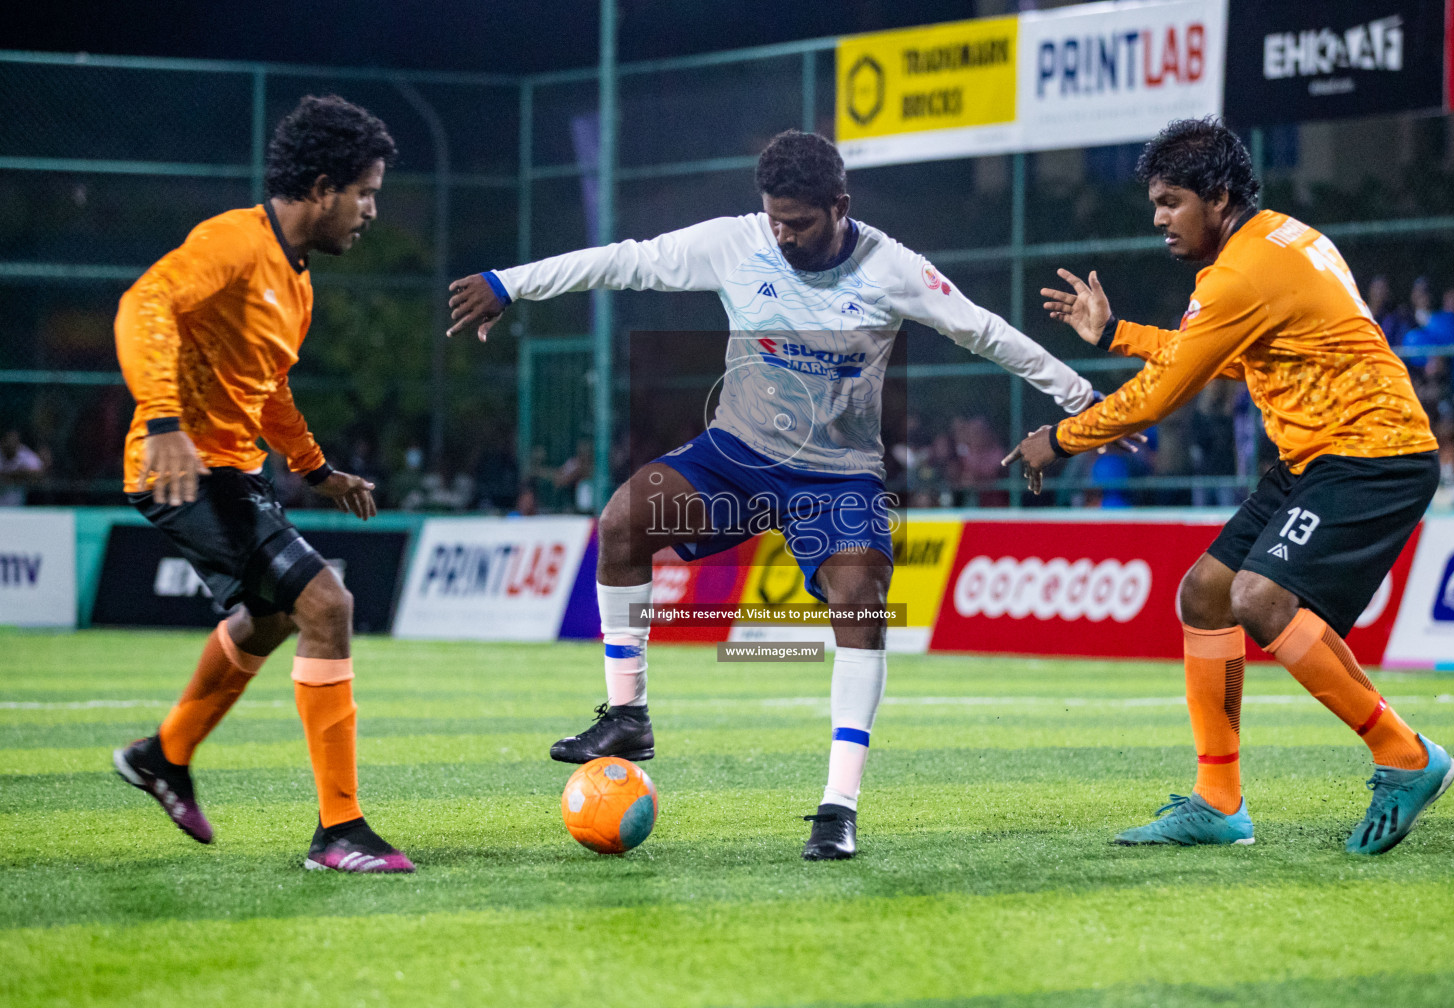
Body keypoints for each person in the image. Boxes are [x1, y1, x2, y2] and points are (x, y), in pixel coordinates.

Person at [448, 129, 1106, 860]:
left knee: (862, 599)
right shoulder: (738, 242)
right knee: (623, 520)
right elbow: (623, 261)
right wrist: (510, 283)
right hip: (736, 456)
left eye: (799, 222)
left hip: (837, 477)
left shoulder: (891, 268)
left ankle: (838, 807)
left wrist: (1083, 399)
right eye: (775, 219)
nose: (784, 235)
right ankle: (628, 714)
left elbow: (986, 332)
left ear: (839, 206)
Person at [1010, 117, 1453, 856]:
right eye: (1154, 204)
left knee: (1259, 598)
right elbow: (1214, 354)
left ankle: (1407, 756)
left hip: (1373, 453)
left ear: (1217, 197)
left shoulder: (1240, 273)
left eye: (1170, 201)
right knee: (1206, 594)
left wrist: (1056, 438)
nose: (1158, 219)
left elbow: (1161, 395)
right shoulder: (1281, 239)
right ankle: (1219, 803)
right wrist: (1117, 330)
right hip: (1318, 455)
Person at [110, 95, 413, 873]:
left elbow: (268, 388)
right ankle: (339, 831)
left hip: (232, 473)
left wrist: (315, 468)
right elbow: (145, 302)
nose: (371, 211)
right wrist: (164, 419)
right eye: (366, 192)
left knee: (275, 620)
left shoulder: (298, 283)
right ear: (321, 186)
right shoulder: (234, 243)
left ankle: (163, 755)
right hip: (183, 468)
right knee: (327, 604)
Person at [0, 428, 46, 506]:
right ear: (3, 442)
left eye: (14, 442)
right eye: (8, 442)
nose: (11, 445)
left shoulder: (24, 453)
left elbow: (39, 471)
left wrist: (16, 474)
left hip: (17, 496)